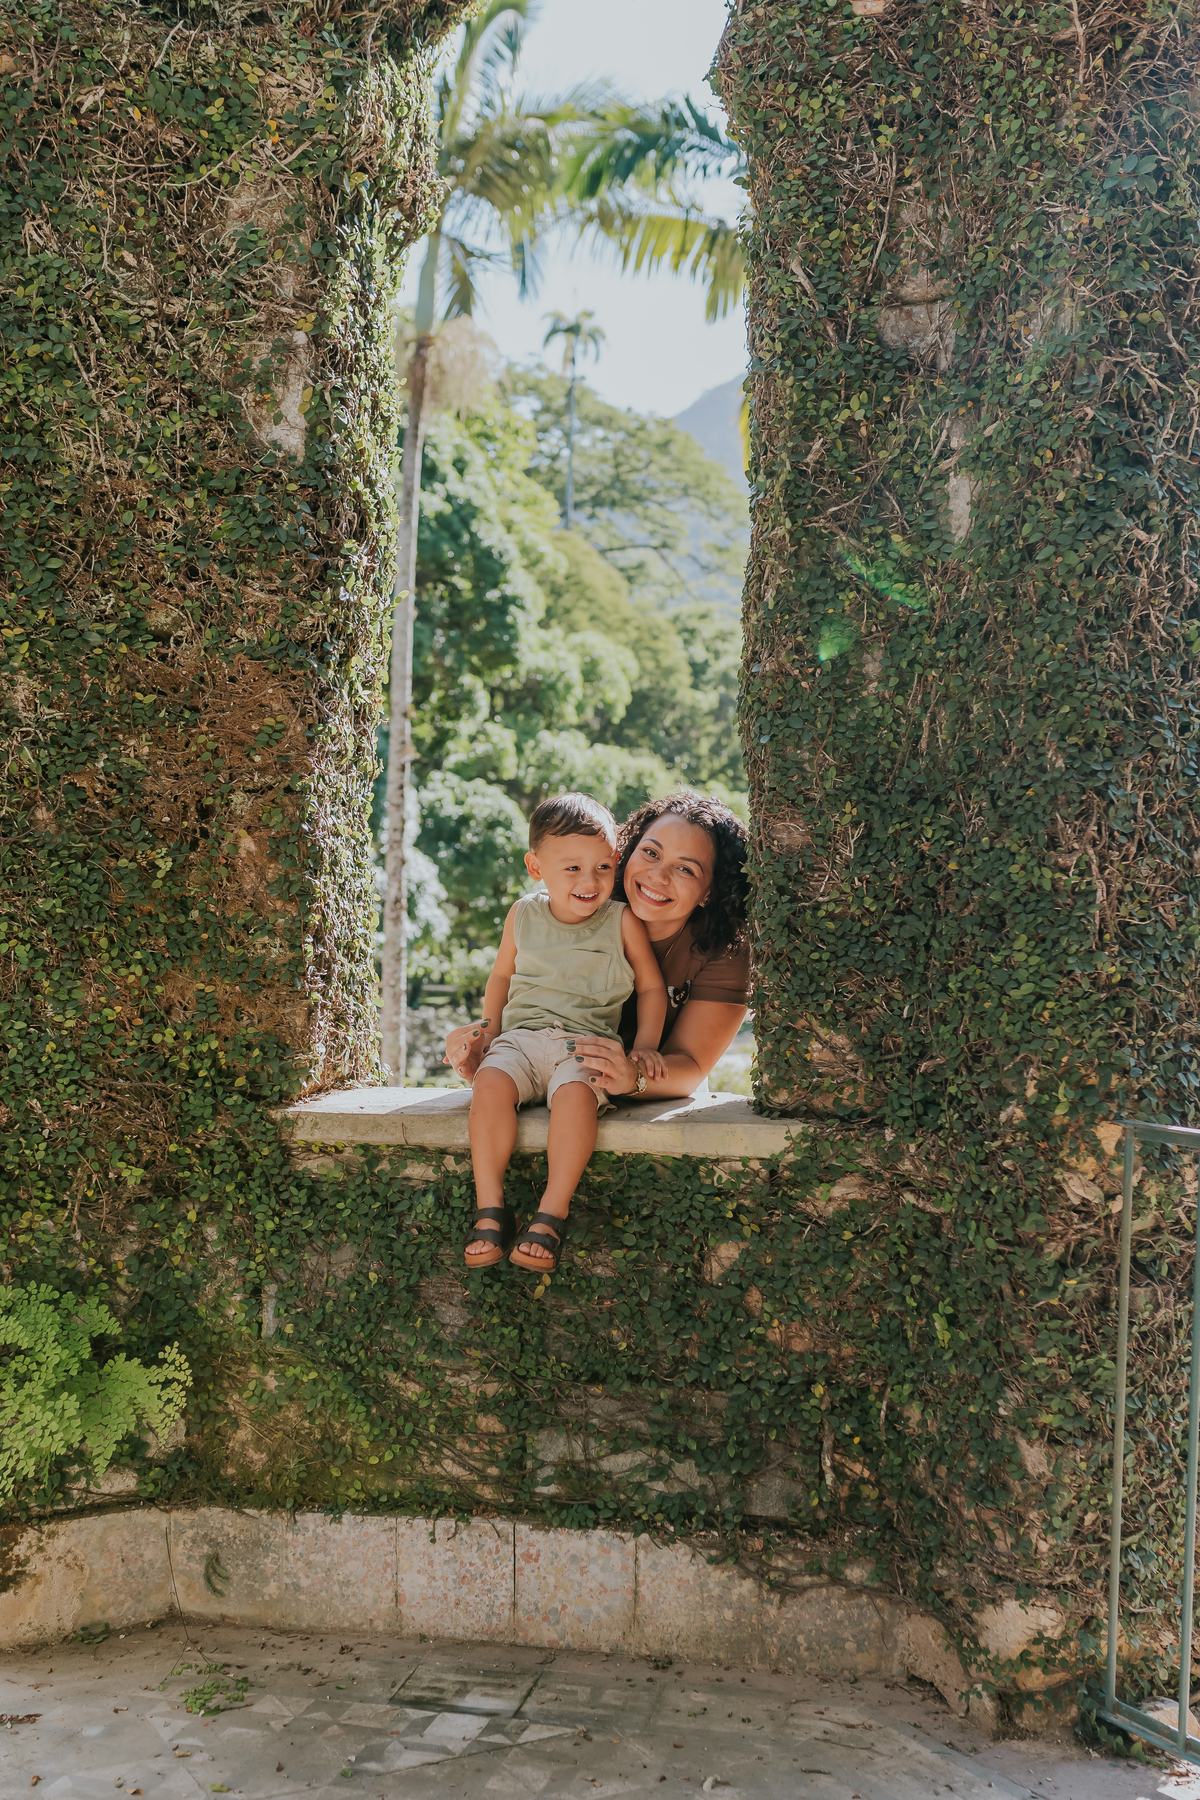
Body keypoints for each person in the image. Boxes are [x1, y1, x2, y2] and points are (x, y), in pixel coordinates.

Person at [446, 791, 750, 1266]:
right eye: (650, 853)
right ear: (626, 852)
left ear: (710, 889)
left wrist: (638, 1076)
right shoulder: (577, 900)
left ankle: (551, 1214)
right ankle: (491, 1209)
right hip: (545, 1060)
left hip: (624, 1085)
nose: (657, 875)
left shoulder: (721, 953)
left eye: (686, 868)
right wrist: (483, 1044)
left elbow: (690, 1066)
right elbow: (517, 981)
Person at [457, 792, 668, 1274]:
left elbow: (652, 988)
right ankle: (490, 1206)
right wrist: (487, 1035)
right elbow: (501, 978)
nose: (589, 881)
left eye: (601, 868)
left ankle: (552, 1212)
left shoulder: (622, 921)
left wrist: (645, 1047)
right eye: (571, 868)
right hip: (521, 1040)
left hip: (585, 1046)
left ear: (616, 862)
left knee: (575, 1098)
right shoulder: (522, 915)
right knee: (488, 1084)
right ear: (536, 867)